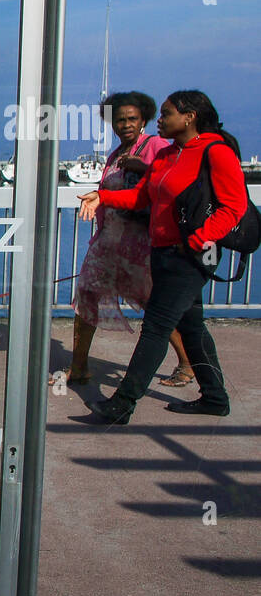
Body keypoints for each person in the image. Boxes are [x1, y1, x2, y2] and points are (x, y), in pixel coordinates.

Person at [76, 90, 247, 424]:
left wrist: (198, 239)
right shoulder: (170, 154)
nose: (160, 120)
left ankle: (122, 404)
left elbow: (234, 207)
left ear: (189, 117)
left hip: (190, 257)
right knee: (193, 328)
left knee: (155, 327)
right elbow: (142, 196)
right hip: (163, 252)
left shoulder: (215, 151)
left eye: (166, 114)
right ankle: (215, 397)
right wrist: (103, 196)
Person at [66, 91, 194, 386]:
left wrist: (145, 168)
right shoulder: (115, 154)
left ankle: (187, 363)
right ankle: (79, 365)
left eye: (132, 119)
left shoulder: (156, 147)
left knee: (154, 304)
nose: (125, 124)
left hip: (140, 245)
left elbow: (172, 184)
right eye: (120, 120)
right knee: (86, 296)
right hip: (108, 241)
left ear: (144, 119)